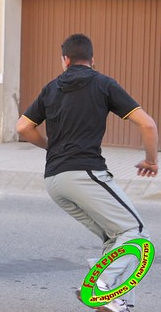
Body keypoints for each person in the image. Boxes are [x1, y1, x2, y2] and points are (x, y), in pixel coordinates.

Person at [16, 34, 158, 312]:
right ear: (92, 60)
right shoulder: (103, 83)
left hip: (54, 181)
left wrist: (50, 146)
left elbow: (22, 127)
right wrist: (151, 161)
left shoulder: (50, 88)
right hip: (84, 173)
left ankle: (112, 302)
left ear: (65, 60)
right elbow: (148, 125)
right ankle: (103, 286)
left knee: (115, 238)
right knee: (137, 234)